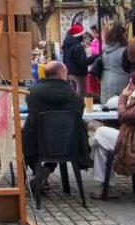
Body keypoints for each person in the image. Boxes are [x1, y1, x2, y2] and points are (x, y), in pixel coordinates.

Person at [23, 61, 88, 199]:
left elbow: (32, 115)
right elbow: (79, 115)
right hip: (67, 145)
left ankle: (40, 171)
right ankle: (47, 169)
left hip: (37, 144)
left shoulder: (32, 92)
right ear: (60, 75)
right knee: (59, 136)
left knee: (27, 133)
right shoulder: (75, 96)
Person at [97, 23, 131, 102]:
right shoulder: (125, 50)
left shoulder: (105, 50)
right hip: (121, 80)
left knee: (107, 105)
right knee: (120, 104)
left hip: (105, 79)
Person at [62, 23, 93, 91]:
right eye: (82, 34)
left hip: (70, 73)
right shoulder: (78, 46)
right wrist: (94, 57)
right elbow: (83, 62)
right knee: (80, 94)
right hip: (79, 74)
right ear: (79, 35)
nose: (83, 36)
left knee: (73, 93)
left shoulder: (67, 44)